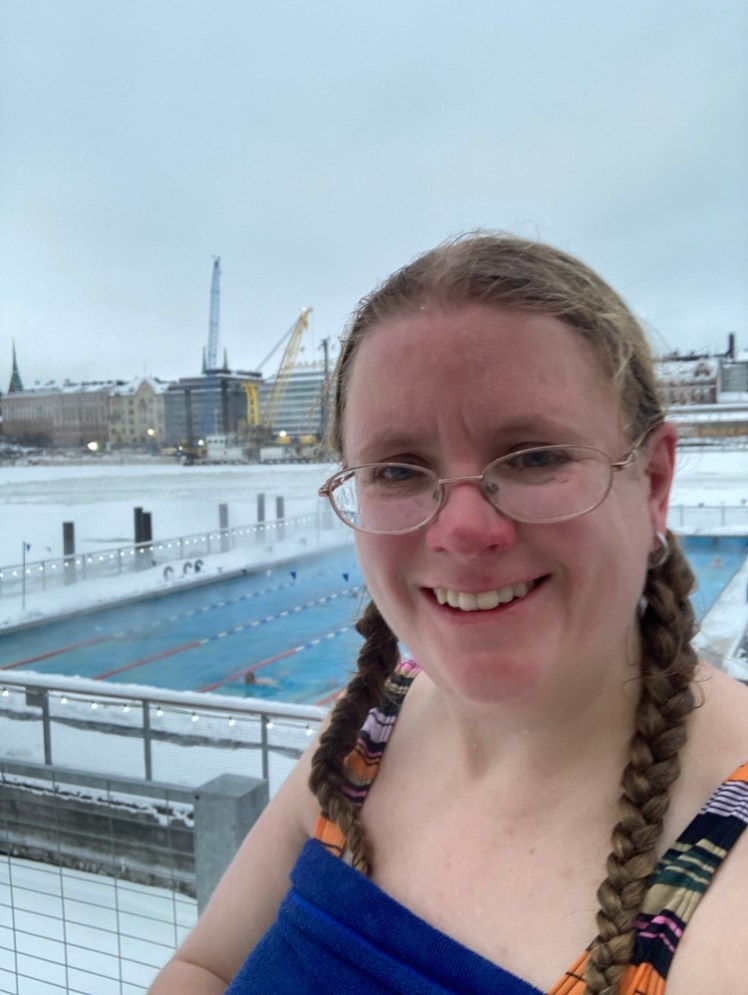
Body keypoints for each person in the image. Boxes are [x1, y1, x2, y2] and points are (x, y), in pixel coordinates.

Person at [148, 234, 748, 994]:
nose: (463, 530)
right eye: (398, 469)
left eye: (532, 456)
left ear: (654, 481)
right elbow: (204, 964)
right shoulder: (370, 733)